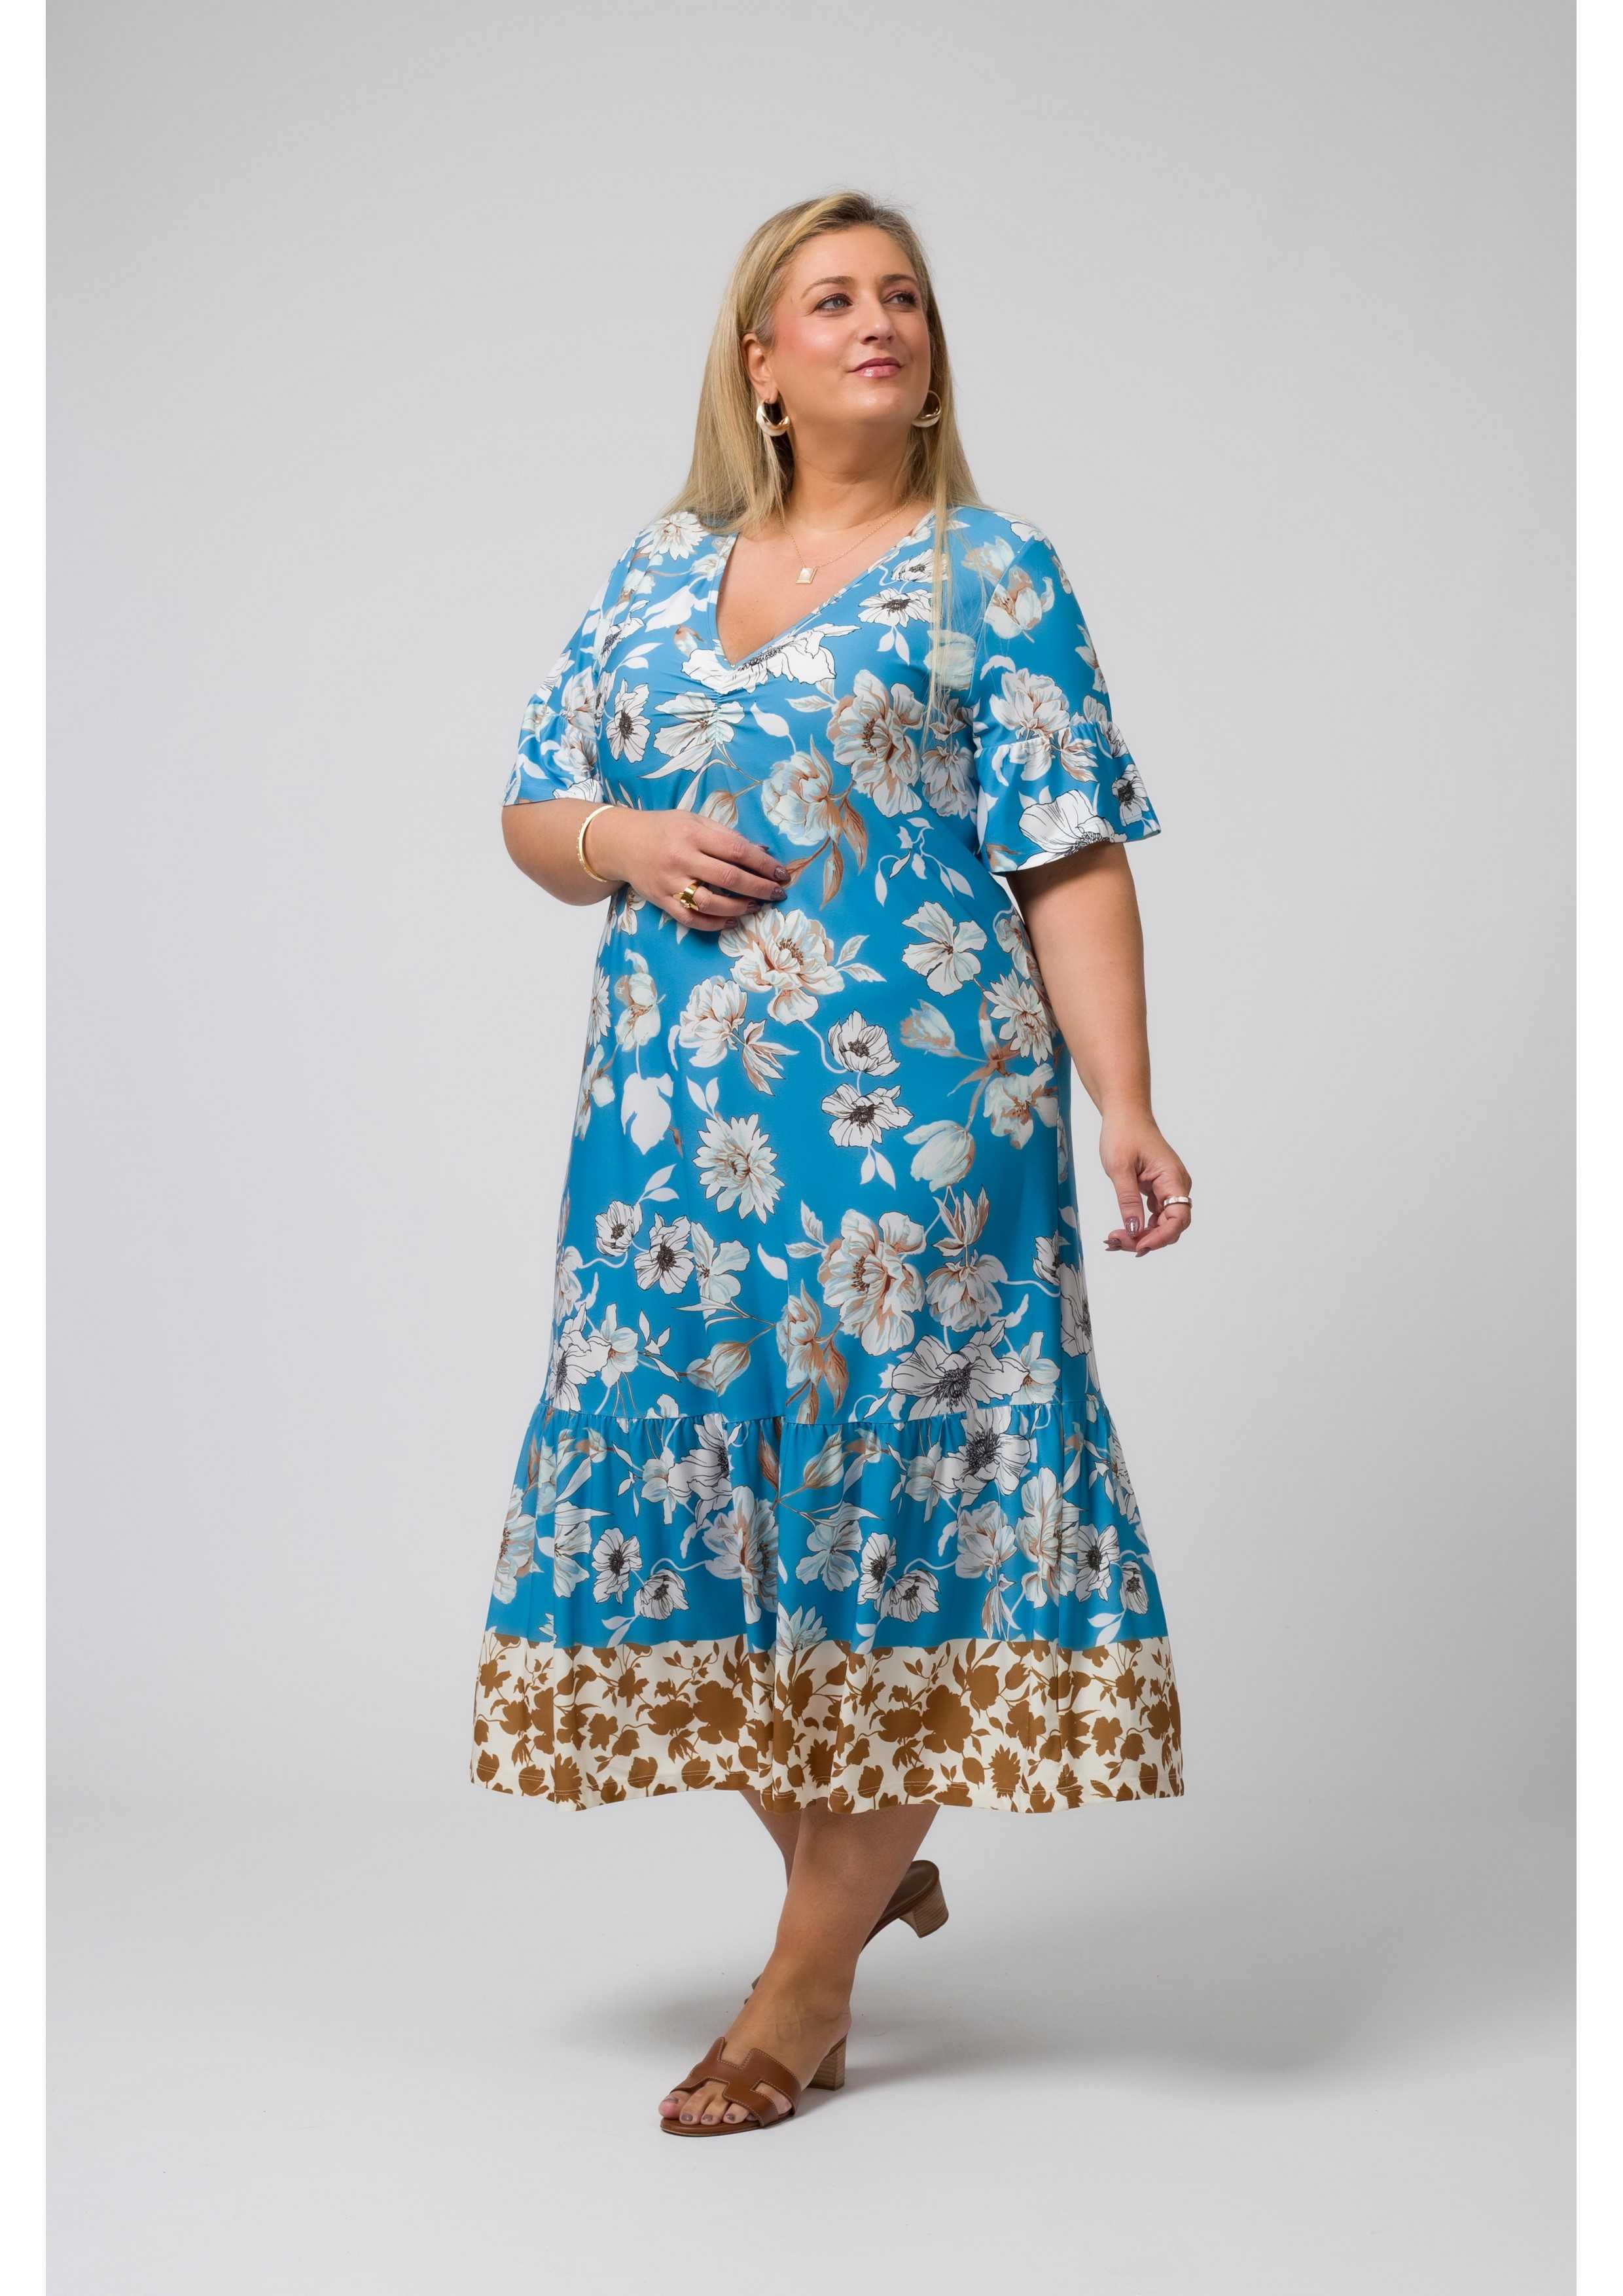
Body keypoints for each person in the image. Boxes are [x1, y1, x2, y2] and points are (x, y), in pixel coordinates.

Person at [469, 190, 1194, 2138]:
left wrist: (1126, 1101)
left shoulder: (992, 573)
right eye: (833, 298)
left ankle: (800, 1988)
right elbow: (535, 804)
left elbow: (1069, 852)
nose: (879, 319)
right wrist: (620, 842)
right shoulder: (658, 567)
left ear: (928, 357)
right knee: (699, 1510)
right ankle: (855, 1881)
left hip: (924, 1133)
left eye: (905, 298)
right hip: (666, 1142)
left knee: (904, 1520)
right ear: (762, 365)